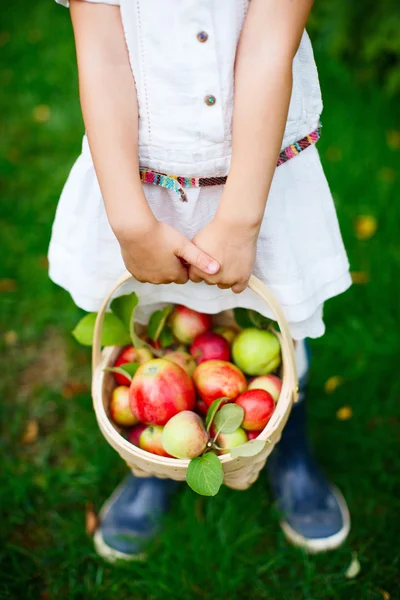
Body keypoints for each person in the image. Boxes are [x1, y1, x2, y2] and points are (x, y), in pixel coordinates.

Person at [49, 0, 352, 561]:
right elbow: (101, 51)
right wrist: (131, 222)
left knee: (278, 324)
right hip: (137, 171)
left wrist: (241, 218)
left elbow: (269, 40)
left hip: (259, 170)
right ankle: (157, 454)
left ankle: (289, 444)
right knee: (146, 318)